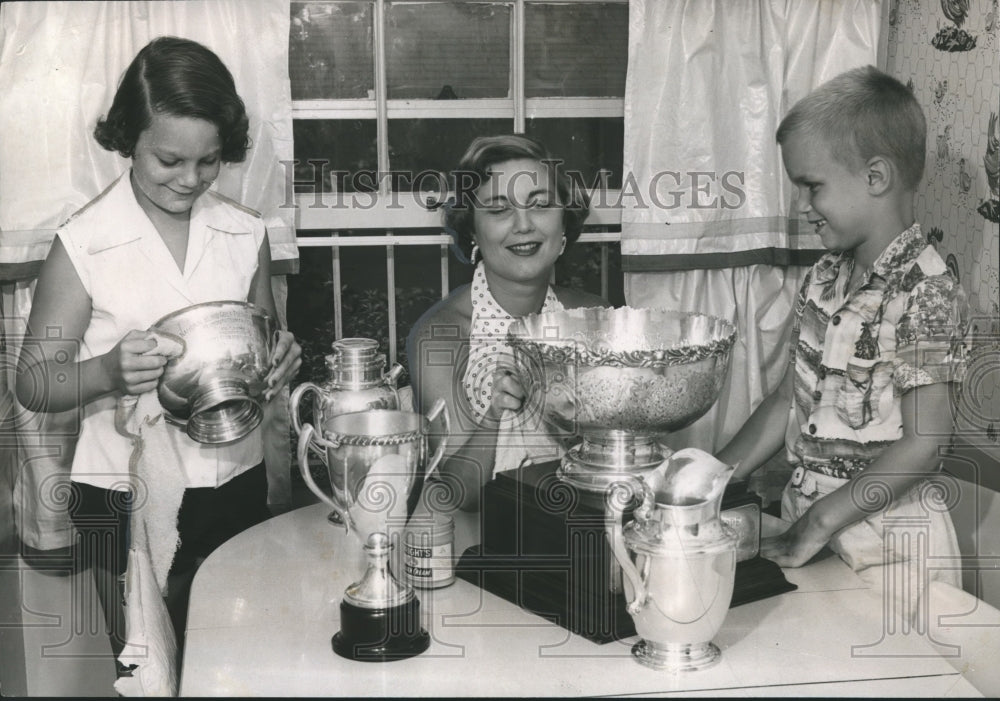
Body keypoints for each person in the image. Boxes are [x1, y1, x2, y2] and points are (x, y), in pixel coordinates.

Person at [15, 36, 301, 681]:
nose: (191, 179)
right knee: (152, 661)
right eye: (169, 160)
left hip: (232, 476)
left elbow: (262, 338)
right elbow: (34, 383)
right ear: (127, 140)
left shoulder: (243, 232)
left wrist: (280, 360)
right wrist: (106, 373)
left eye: (210, 161)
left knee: (237, 649)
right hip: (120, 493)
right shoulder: (83, 243)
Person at [717, 65, 967, 622]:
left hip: (893, 548)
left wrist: (821, 521)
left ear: (875, 176)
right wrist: (711, 480)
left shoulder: (925, 290)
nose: (802, 205)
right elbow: (789, 399)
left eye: (812, 186)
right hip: (814, 525)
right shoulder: (825, 277)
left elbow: (925, 445)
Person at [407, 135, 606, 512]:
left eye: (541, 205)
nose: (524, 225)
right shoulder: (441, 335)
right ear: (472, 232)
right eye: (499, 210)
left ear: (564, 225)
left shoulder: (592, 317)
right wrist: (496, 411)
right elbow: (460, 495)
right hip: (479, 543)